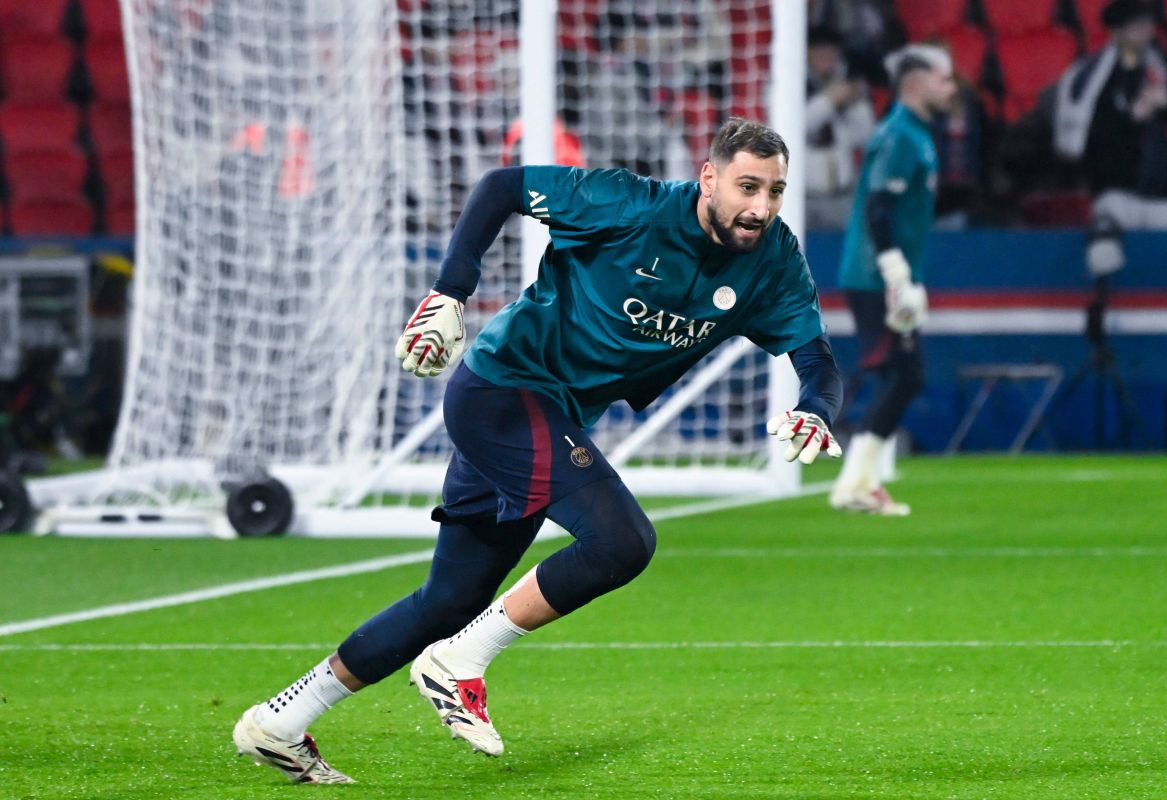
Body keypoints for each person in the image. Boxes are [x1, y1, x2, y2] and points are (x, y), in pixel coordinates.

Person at [231, 118, 844, 784]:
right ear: (709, 179)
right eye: (747, 187)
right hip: (503, 390)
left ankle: (280, 720)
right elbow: (502, 187)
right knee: (622, 542)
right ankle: (459, 663)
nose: (760, 207)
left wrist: (816, 408)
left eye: (775, 191)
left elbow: (816, 358)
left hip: (543, 416)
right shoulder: (628, 204)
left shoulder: (774, 259)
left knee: (449, 601)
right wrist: (449, 292)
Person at [829, 44, 956, 516]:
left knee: (900, 375)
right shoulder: (899, 135)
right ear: (917, 83)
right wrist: (895, 273)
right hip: (875, 275)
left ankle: (862, 481)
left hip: (887, 272)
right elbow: (878, 207)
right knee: (904, 375)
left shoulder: (917, 134)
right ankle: (856, 483)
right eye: (944, 79)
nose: (952, 88)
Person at [1054, 0, 1167, 254]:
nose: (1145, 32)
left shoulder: (1163, 67)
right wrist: (1133, 117)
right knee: (1106, 248)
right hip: (1116, 192)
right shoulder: (1094, 78)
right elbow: (1084, 141)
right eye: (1136, 26)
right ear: (1117, 32)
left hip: (1163, 193)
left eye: (1148, 25)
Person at [805, 26, 876, 231]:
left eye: (832, 54)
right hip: (803, 196)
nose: (827, 59)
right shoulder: (790, 85)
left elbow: (865, 137)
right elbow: (794, 130)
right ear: (808, 53)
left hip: (842, 195)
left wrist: (856, 104)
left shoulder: (846, 85)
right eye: (820, 53)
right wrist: (828, 100)